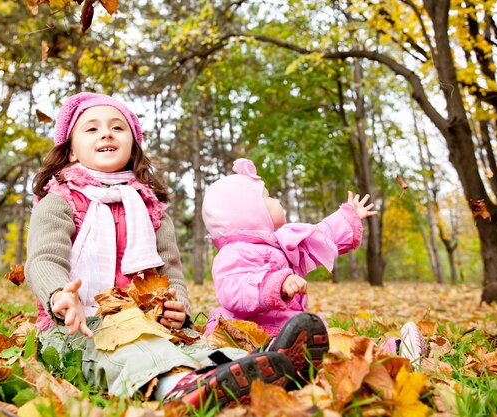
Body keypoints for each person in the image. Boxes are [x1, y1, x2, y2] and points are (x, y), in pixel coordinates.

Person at [25, 92, 329, 409]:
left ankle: (260, 367)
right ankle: (179, 385)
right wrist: (60, 295)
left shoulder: (152, 209)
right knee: (134, 352)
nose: (106, 133)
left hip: (148, 320)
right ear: (71, 150)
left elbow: (170, 272)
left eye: (118, 127)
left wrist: (178, 308)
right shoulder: (60, 201)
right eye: (91, 129)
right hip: (80, 325)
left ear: (132, 146)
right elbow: (44, 258)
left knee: (195, 346)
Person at [201, 158, 378, 339]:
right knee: (307, 336)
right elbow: (234, 290)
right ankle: (267, 357)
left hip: (284, 325)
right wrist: (276, 285)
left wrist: (348, 218)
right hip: (249, 330)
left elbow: (319, 238)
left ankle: (376, 348)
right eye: (268, 197)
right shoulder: (235, 252)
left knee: (322, 333)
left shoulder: (283, 243)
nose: (276, 199)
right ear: (251, 213)